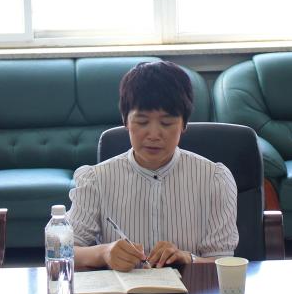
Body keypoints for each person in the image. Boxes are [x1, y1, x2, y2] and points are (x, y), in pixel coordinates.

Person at [68, 61, 239, 271]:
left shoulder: (214, 179)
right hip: (122, 291)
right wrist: (103, 253)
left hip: (191, 290)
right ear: (125, 121)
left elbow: (224, 264)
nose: (154, 135)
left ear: (184, 124)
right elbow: (62, 251)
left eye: (166, 123)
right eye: (142, 122)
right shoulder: (95, 180)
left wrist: (188, 259)